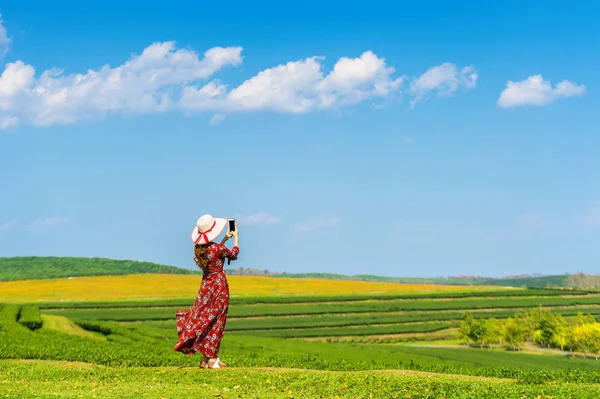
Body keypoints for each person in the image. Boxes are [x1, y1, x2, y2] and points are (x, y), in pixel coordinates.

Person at [173, 214, 239, 369]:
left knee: (205, 319)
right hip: (218, 288)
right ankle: (211, 358)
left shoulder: (200, 249)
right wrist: (235, 238)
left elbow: (215, 252)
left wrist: (224, 239)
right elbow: (233, 254)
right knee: (217, 321)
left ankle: (205, 358)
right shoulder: (217, 248)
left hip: (205, 288)